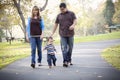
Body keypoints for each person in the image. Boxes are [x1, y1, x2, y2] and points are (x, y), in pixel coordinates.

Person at [51, 3, 77, 67]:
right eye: (60, 9)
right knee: (63, 48)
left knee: (70, 48)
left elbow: (75, 20)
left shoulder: (71, 13)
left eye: (63, 9)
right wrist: (52, 33)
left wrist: (73, 25)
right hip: (62, 34)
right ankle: (65, 61)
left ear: (66, 8)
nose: (61, 10)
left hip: (70, 34)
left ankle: (69, 59)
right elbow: (56, 24)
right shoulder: (59, 16)